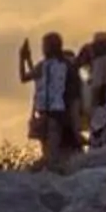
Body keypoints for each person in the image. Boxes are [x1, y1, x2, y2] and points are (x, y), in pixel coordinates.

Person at [20, 32, 80, 171]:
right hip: (53, 114)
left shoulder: (49, 66)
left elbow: (26, 77)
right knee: (50, 153)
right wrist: (24, 59)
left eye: (45, 45)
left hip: (54, 115)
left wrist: (22, 59)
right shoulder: (61, 66)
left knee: (51, 154)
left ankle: (49, 173)